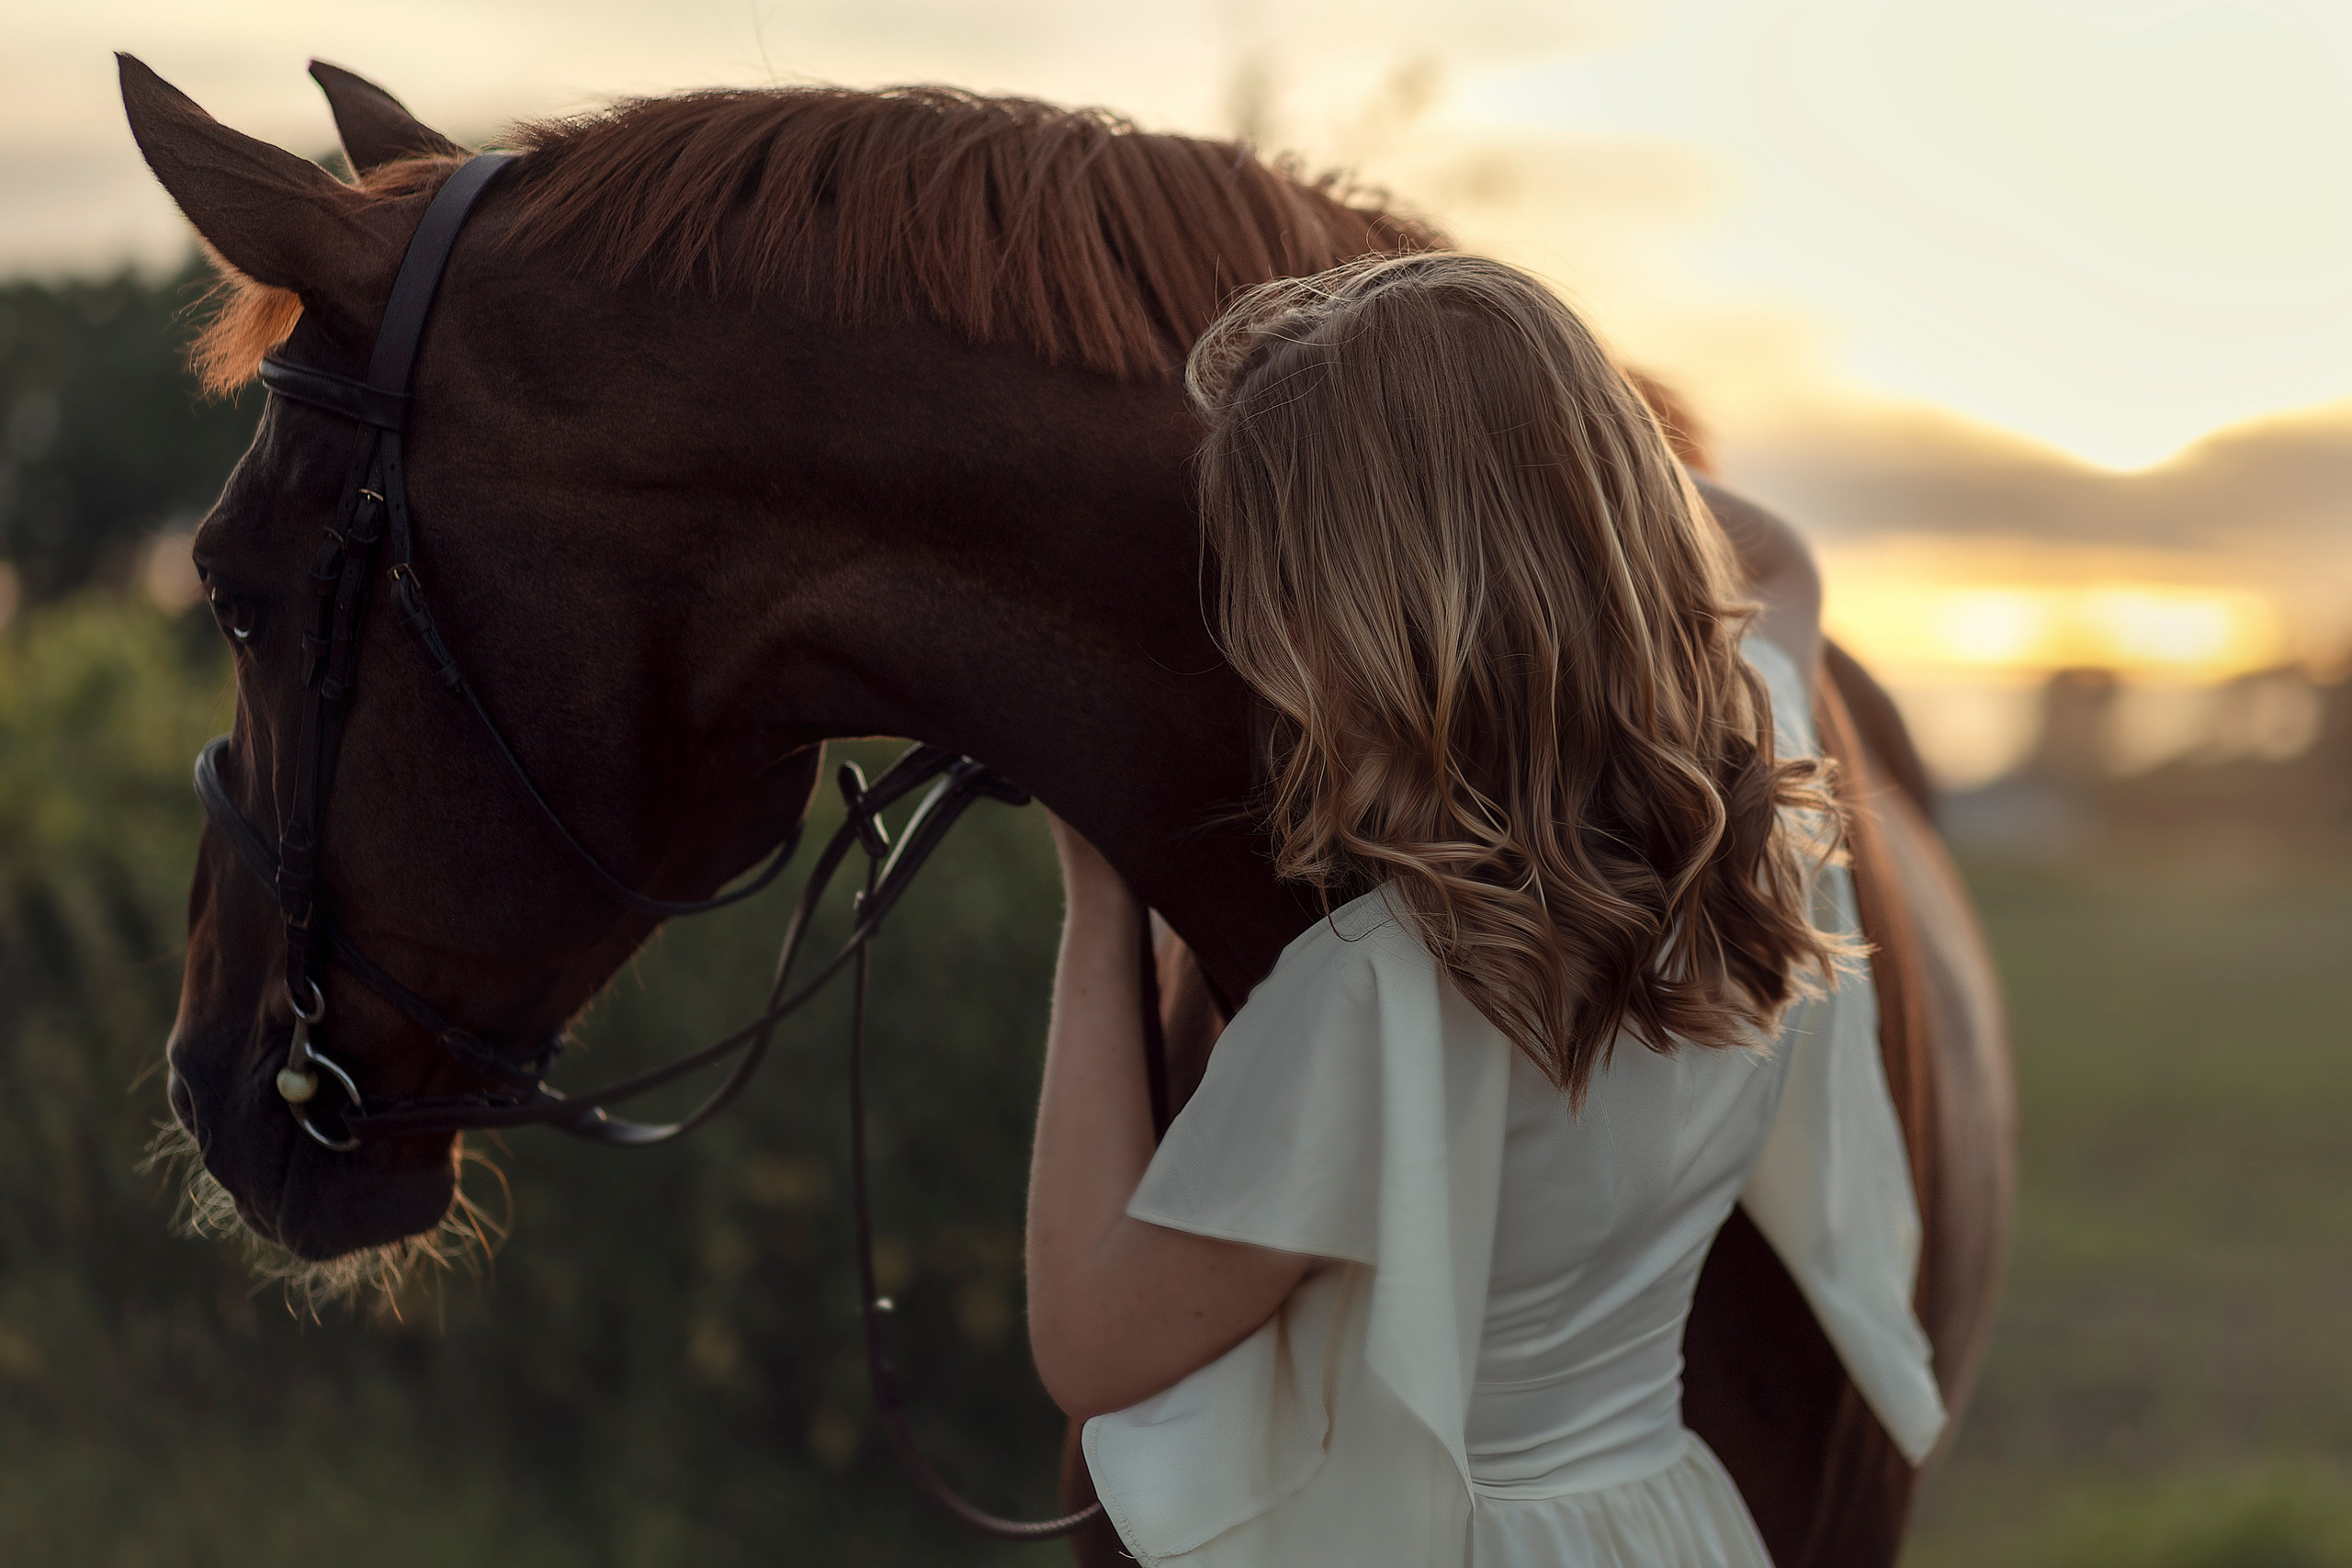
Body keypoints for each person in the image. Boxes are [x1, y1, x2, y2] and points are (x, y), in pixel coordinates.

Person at [1024, 254, 1942, 1566]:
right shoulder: (1765, 828)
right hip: (1665, 1523)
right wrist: (1561, 452)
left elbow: (1093, 1345)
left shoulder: (1377, 991)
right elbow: (1782, 560)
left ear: (1343, 616)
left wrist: (1098, 894)